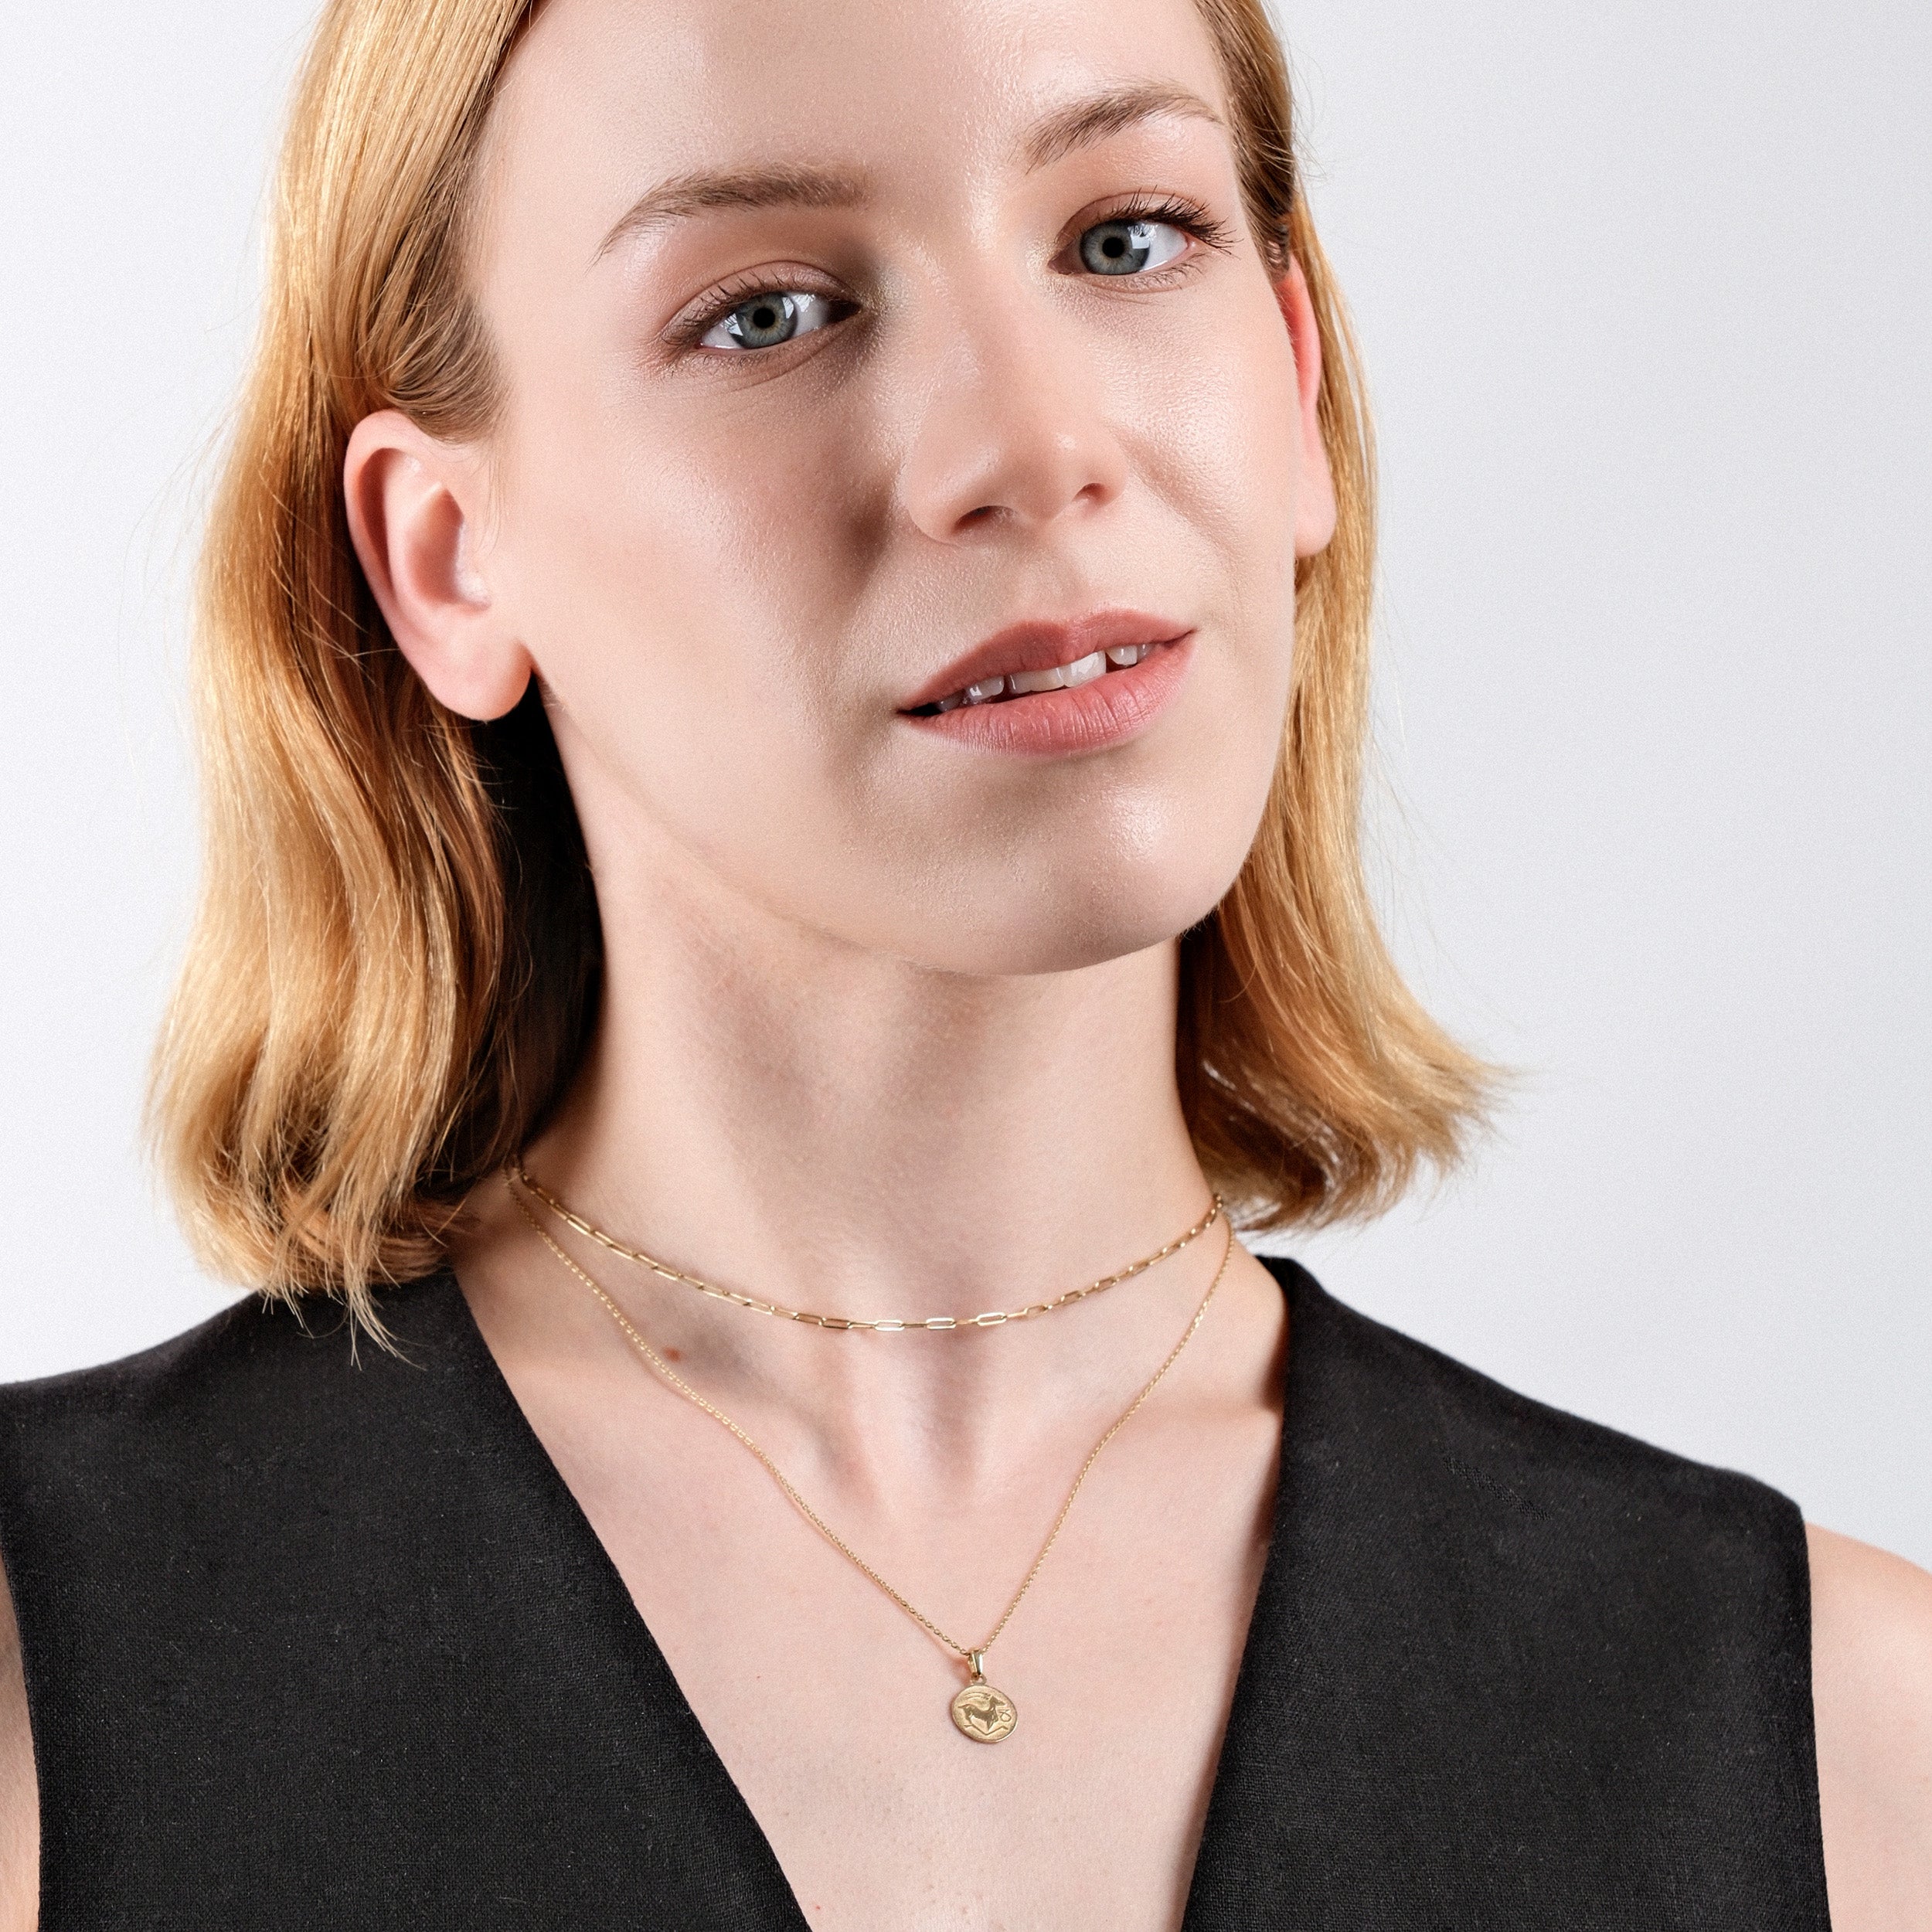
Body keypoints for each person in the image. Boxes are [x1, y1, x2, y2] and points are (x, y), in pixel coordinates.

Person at [2, 0, 1927, 1923]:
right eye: (767, 311)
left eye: (1125, 237)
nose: (1036, 443)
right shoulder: (44, 1683)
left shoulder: (1856, 1752)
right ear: (445, 556)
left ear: (1295, 378)